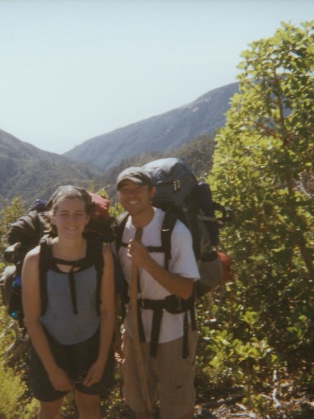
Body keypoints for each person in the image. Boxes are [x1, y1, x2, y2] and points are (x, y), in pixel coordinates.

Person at [22, 185, 115, 419]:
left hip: (91, 346)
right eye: (64, 214)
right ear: (52, 218)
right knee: (51, 409)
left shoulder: (101, 255)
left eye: (78, 214)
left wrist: (102, 360)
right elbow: (32, 319)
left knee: (89, 406)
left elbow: (107, 311)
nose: (71, 221)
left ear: (87, 218)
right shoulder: (35, 260)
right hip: (50, 347)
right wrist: (52, 369)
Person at [115, 167, 201, 419]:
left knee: (178, 403)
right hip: (135, 326)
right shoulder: (120, 228)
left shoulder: (174, 230)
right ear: (118, 195)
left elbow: (186, 290)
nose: (131, 195)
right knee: (138, 398)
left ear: (152, 192)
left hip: (174, 327)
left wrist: (147, 262)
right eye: (125, 190)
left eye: (138, 189)